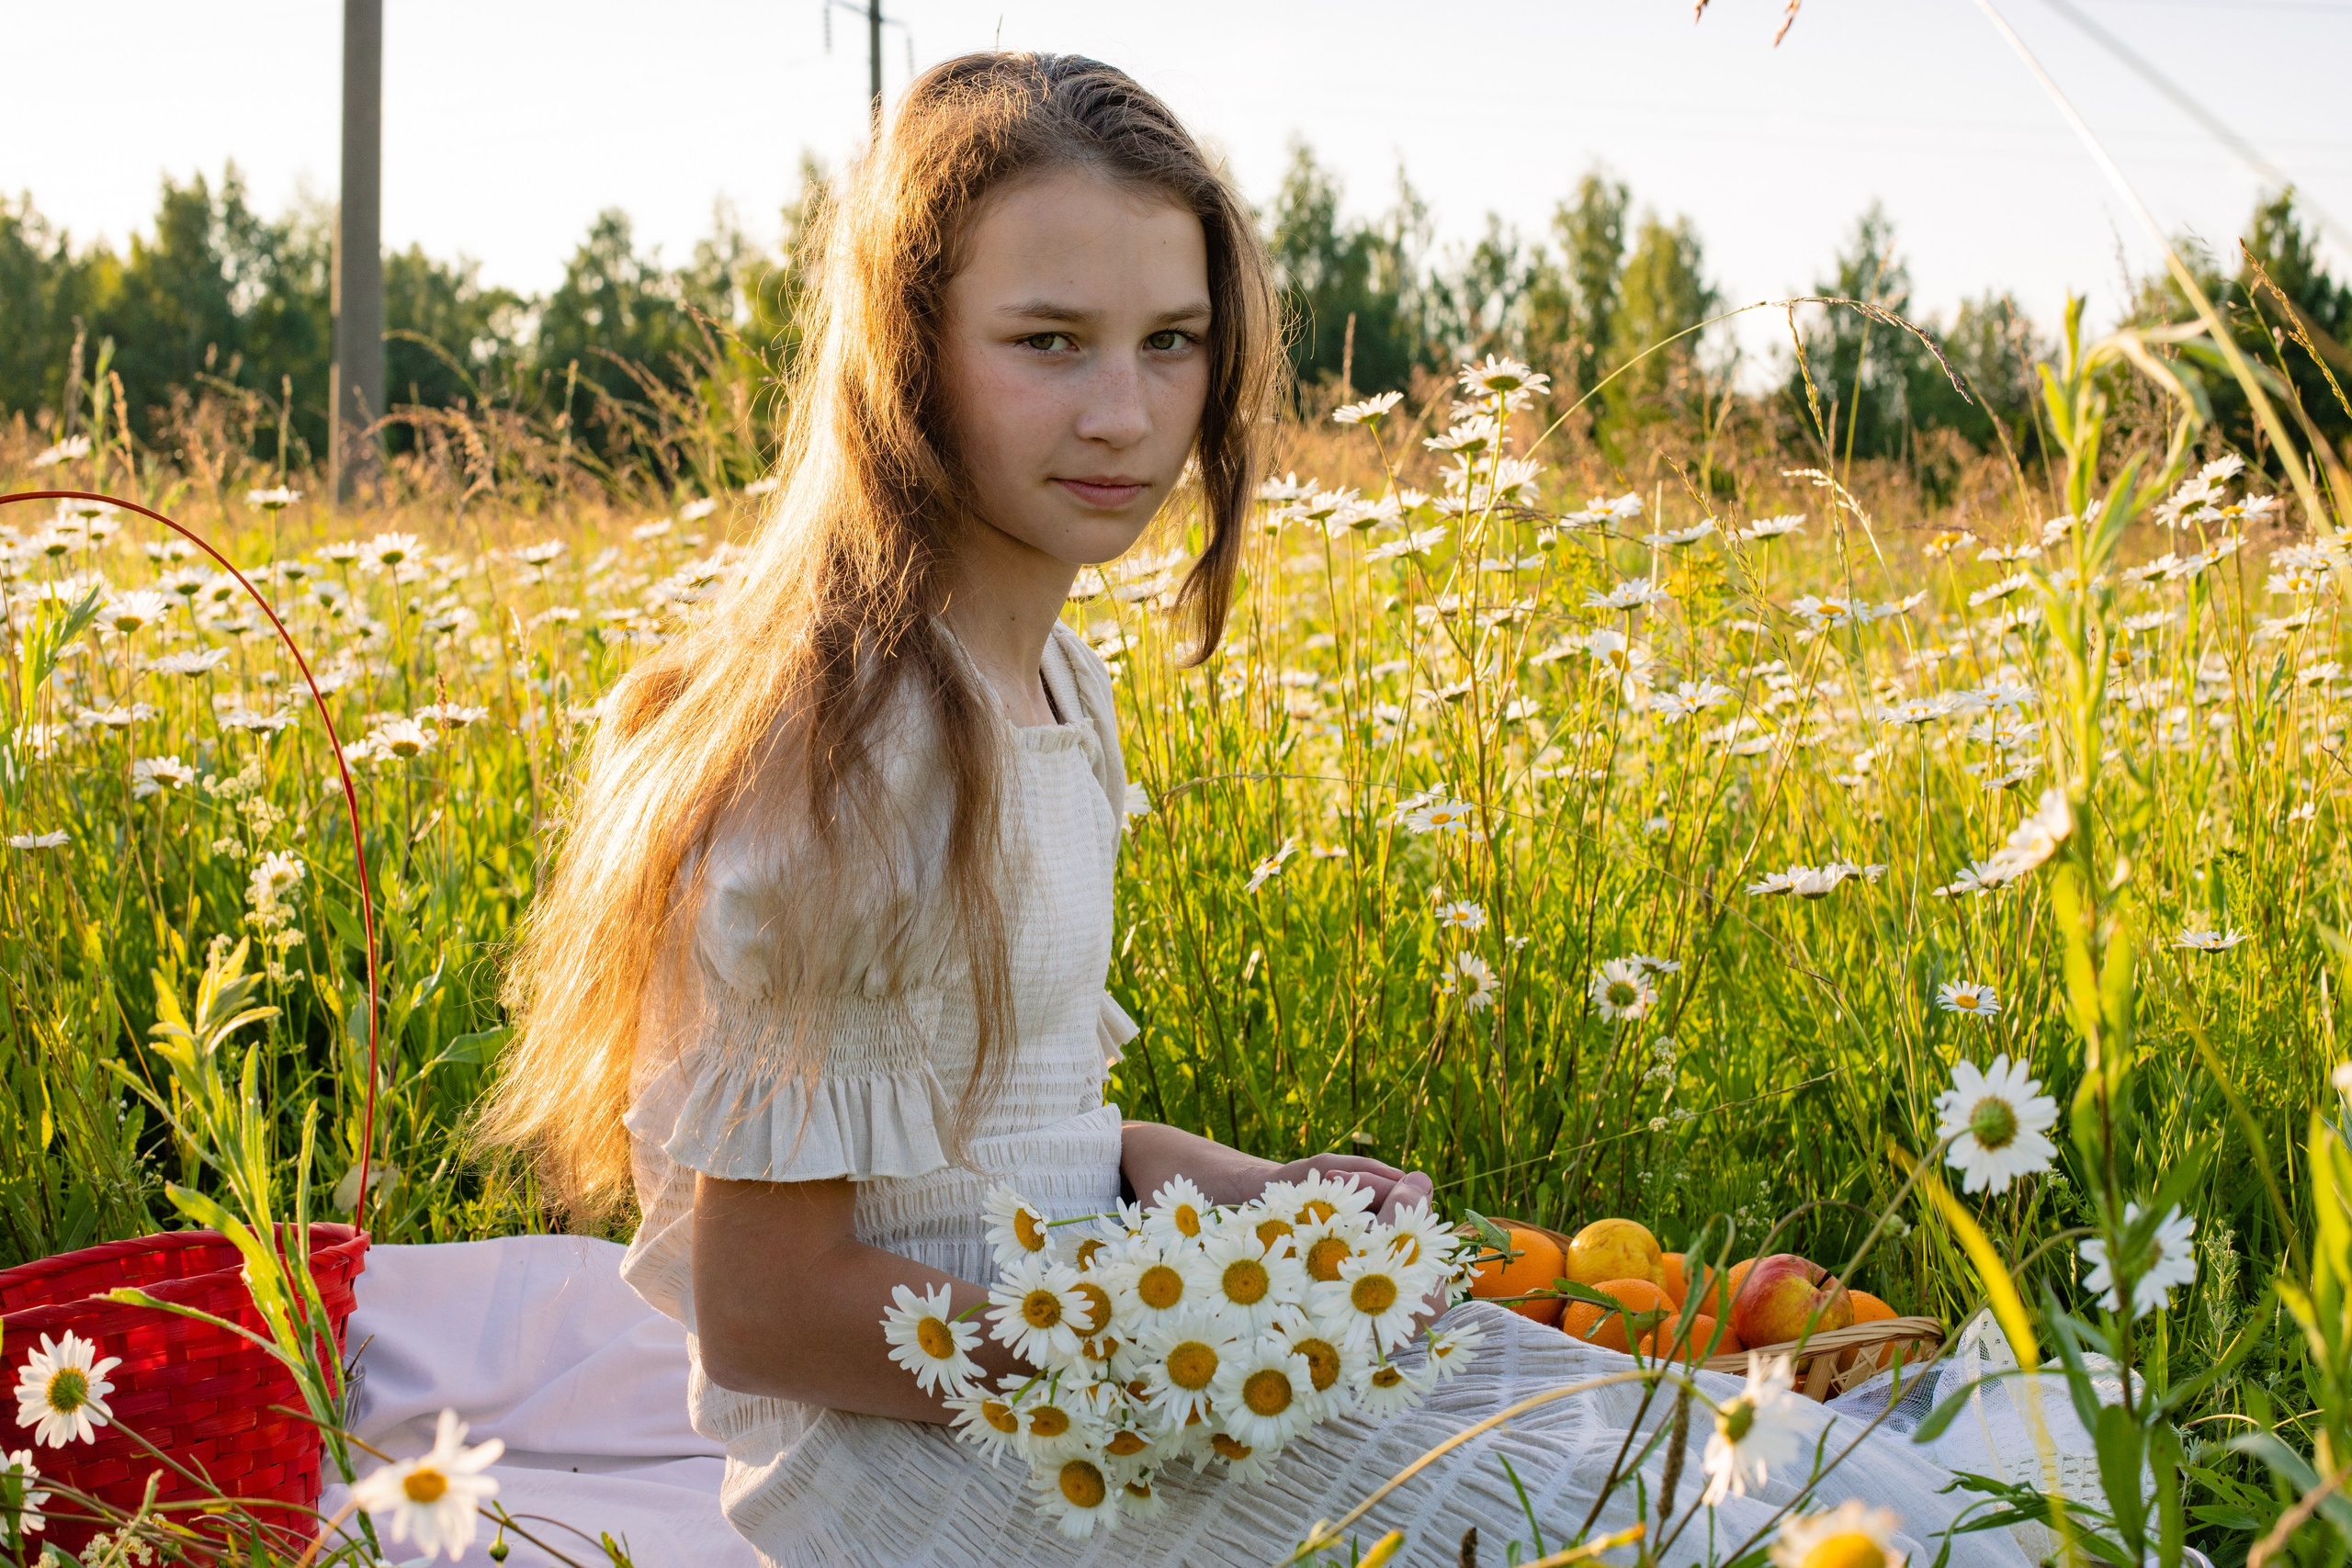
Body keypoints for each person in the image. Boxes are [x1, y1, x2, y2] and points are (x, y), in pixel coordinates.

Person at [481, 51, 2032, 1568]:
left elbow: (1024, 1148)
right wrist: (1174, 1356)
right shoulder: (853, 754)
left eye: (1172, 342)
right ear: (907, 354)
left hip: (1087, 1361)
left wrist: (1250, 1202)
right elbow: (770, 1309)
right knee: (1696, 1528)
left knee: (1747, 1462)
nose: (1124, 413)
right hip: (948, 1465)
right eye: (1047, 341)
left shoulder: (1052, 686)